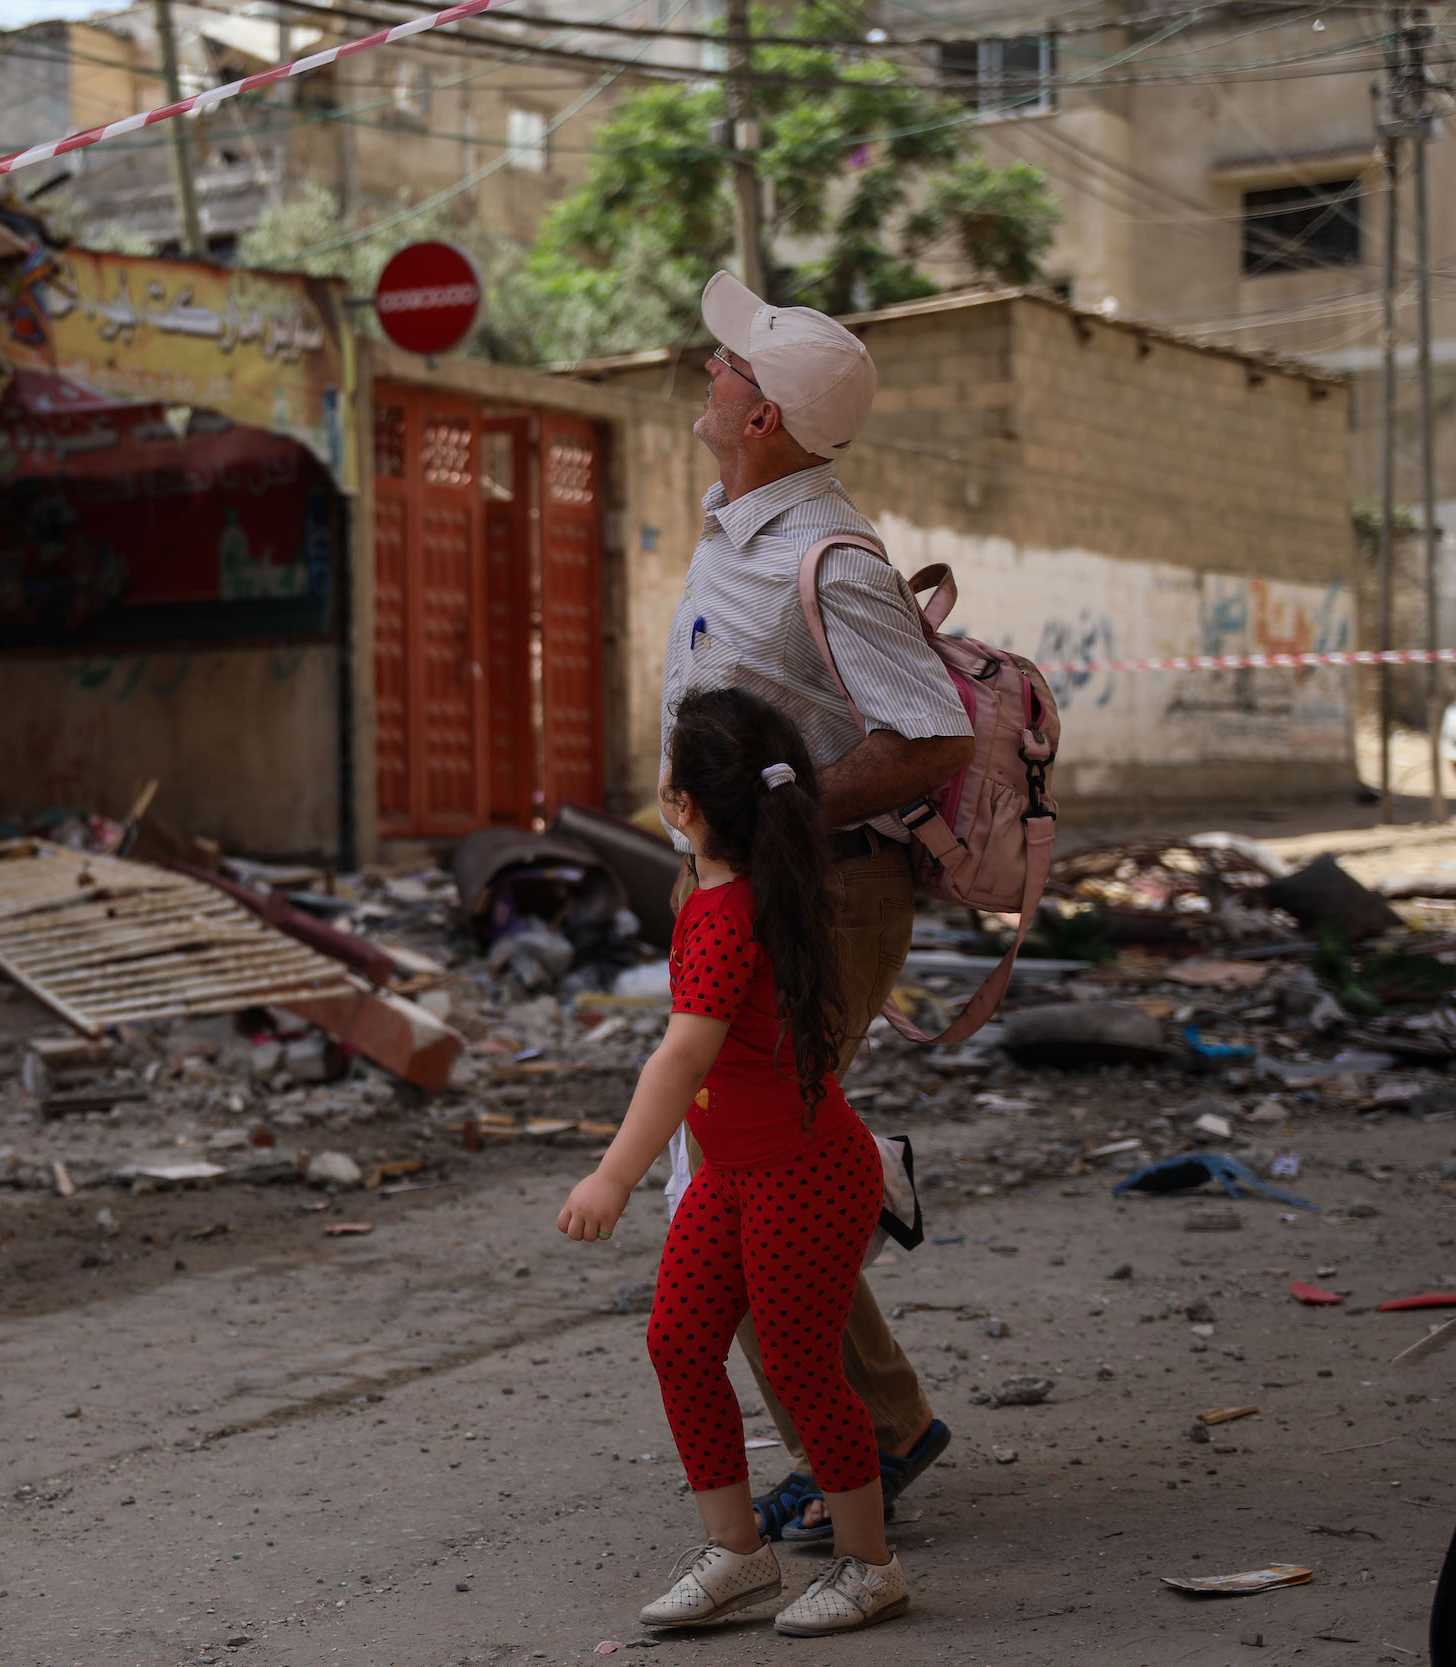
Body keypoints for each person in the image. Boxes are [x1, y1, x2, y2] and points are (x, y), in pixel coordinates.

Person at [658, 270, 972, 1544]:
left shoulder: (824, 556)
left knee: (742, 1186)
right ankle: (877, 1422)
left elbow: (933, 733)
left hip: (822, 897)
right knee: (739, 1174)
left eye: (730, 367)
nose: (710, 371)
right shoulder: (732, 522)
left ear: (765, 417)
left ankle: (868, 1444)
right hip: (743, 891)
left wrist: (782, 819)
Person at [557, 687, 906, 1635]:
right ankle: (739, 1554)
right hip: (736, 1172)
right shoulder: (729, 891)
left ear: (683, 805)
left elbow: (680, 1057)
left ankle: (870, 1564)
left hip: (806, 1175)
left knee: (799, 1366)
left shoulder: (726, 915)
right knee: (678, 1341)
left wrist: (614, 1175)